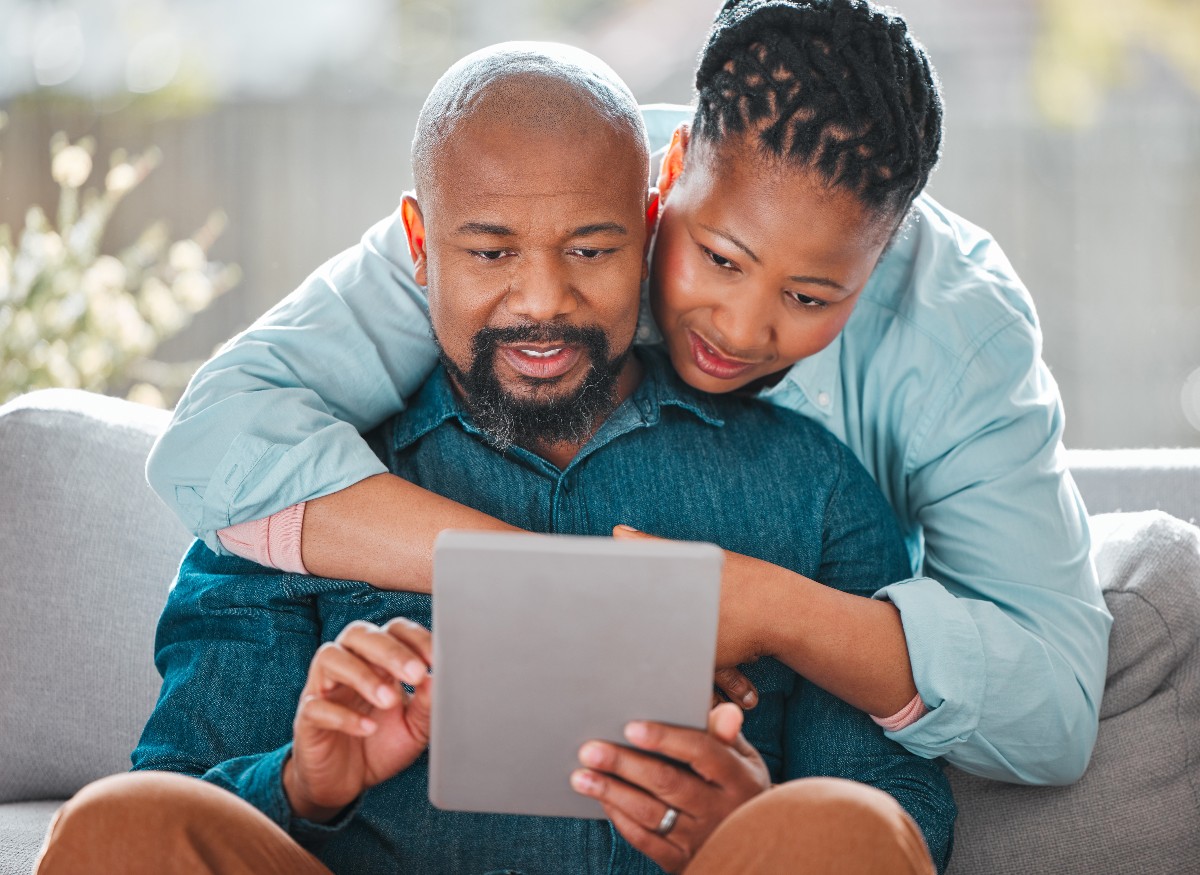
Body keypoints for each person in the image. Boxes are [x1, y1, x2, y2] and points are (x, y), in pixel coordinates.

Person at [35, 43, 954, 875]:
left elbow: (899, 814)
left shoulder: (813, 486)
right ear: (423, 248)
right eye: (491, 251)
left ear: (648, 227)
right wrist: (304, 781)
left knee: (846, 827)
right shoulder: (301, 492)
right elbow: (181, 786)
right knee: (124, 825)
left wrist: (751, 819)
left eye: (591, 248)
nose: (542, 301)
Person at [146, 0, 1111, 784]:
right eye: (718, 257)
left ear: (888, 254)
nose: (737, 328)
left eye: (811, 296)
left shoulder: (962, 333)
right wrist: (579, 593)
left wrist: (765, 607)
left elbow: (1055, 715)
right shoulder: (556, 188)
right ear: (672, 175)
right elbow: (218, 436)